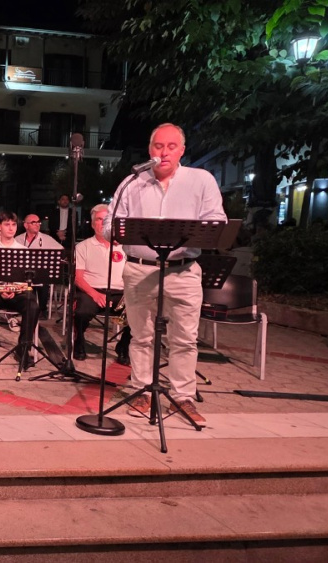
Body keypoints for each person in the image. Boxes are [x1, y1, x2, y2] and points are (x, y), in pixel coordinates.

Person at [108, 123, 226, 424]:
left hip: (182, 270)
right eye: (158, 146)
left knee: (184, 338)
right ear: (150, 149)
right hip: (140, 269)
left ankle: (183, 397)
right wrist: (120, 230)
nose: (164, 152)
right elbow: (110, 224)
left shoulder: (201, 180)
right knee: (141, 336)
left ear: (182, 150)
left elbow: (216, 221)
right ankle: (142, 392)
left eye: (171, 146)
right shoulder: (131, 182)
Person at [0, 211, 40, 365]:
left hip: (17, 290)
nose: (11, 228)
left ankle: (23, 348)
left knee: (33, 306)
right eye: (7, 224)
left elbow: (28, 280)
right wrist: (0, 289)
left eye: (13, 224)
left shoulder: (24, 251)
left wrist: (15, 289)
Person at [73, 204, 131, 363]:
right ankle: (79, 342)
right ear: (92, 224)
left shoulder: (126, 246)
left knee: (141, 314)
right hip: (91, 291)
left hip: (121, 292)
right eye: (99, 219)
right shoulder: (83, 246)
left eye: (107, 220)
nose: (103, 223)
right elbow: (78, 278)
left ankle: (123, 346)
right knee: (81, 313)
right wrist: (95, 294)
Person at [15, 213, 63, 316]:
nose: (37, 224)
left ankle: (42, 309)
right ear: (26, 225)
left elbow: (61, 252)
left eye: (38, 222)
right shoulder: (18, 239)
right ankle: (26, 308)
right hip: (23, 273)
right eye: (34, 222)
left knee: (43, 280)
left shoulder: (47, 238)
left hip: (41, 272)